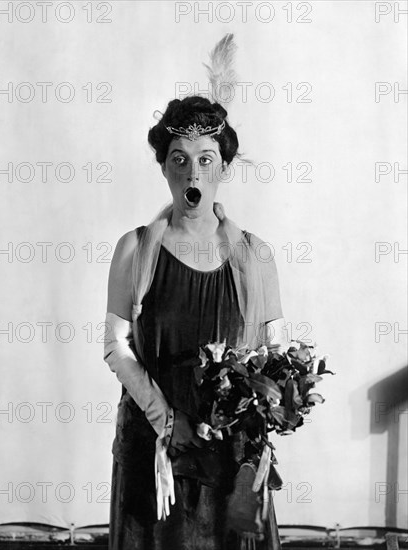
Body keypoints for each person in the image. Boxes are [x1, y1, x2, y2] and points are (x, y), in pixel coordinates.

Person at [104, 95, 287, 550]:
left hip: (229, 455)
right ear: (164, 168)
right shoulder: (134, 248)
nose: (193, 172)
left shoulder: (256, 255)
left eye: (206, 159)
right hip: (154, 451)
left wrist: (249, 417)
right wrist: (167, 420)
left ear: (224, 167)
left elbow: (275, 354)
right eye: (179, 159)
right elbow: (116, 346)